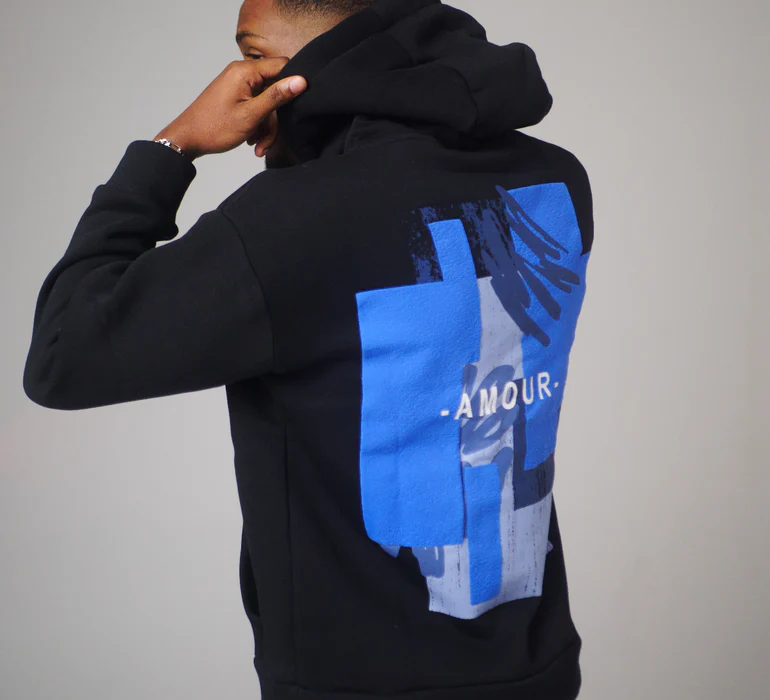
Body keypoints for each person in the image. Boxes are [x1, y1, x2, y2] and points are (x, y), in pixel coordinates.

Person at [22, 0, 594, 698]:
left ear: (316, 61)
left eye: (253, 54)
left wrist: (174, 147)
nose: (237, 79)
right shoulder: (558, 181)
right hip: (538, 664)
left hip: (356, 683)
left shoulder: (289, 222)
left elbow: (65, 352)